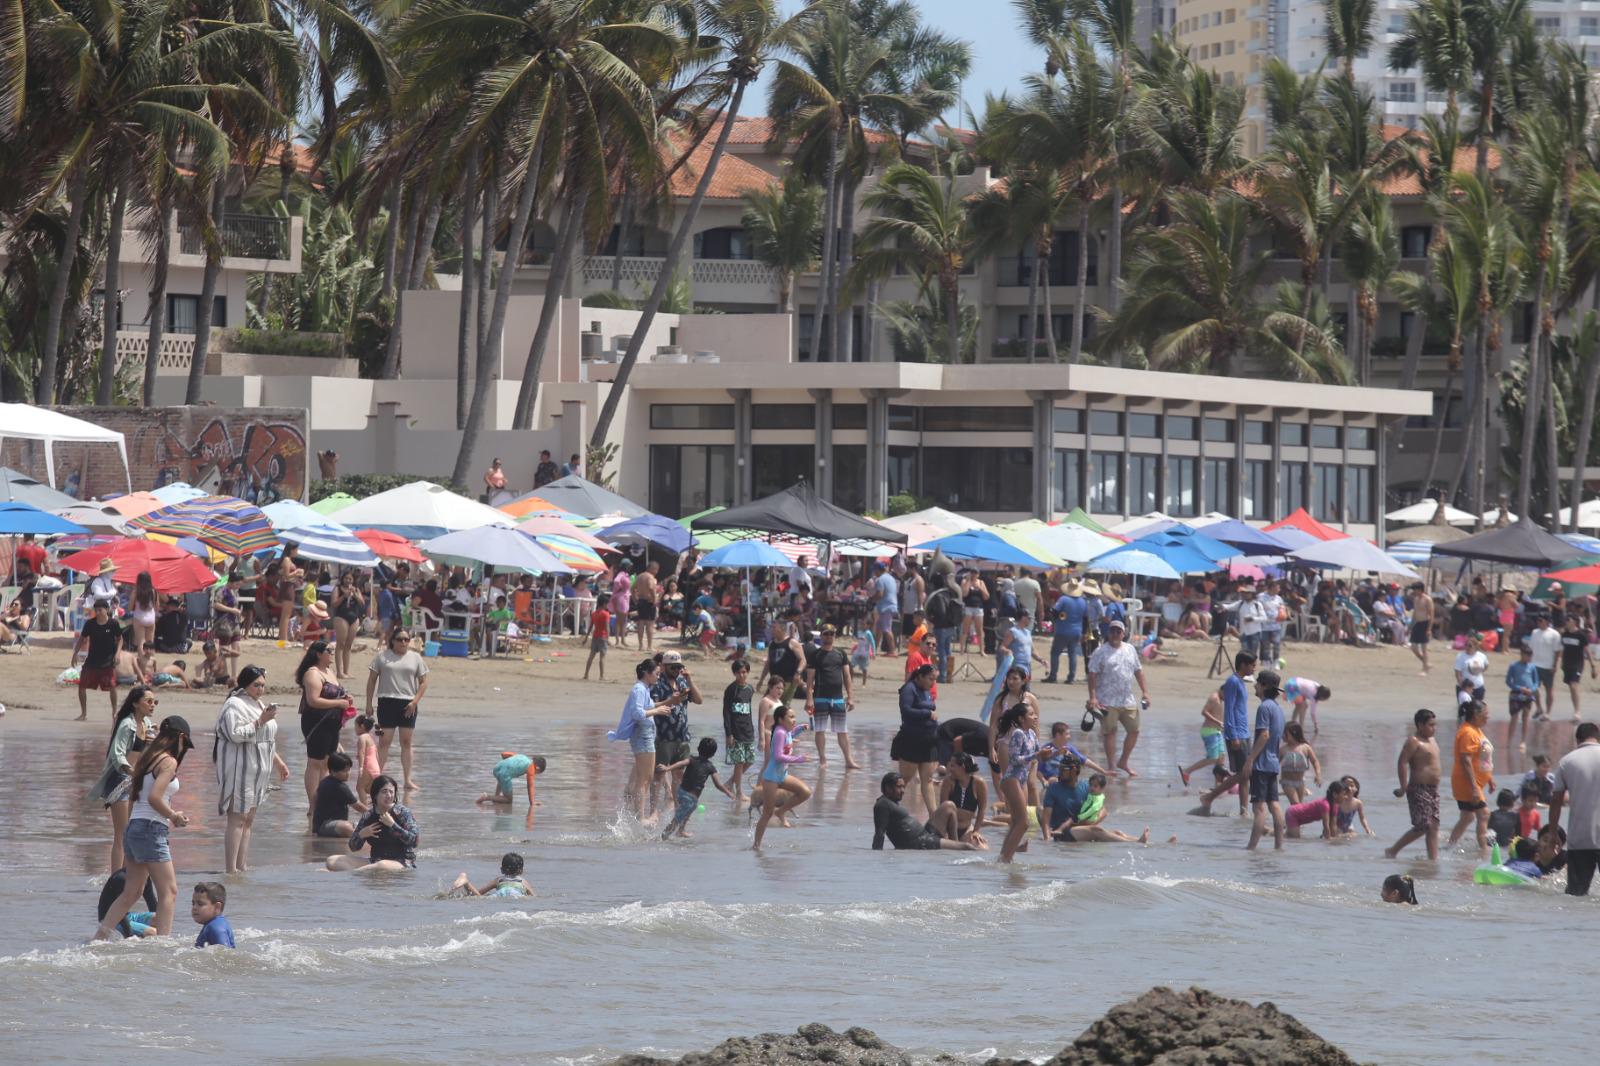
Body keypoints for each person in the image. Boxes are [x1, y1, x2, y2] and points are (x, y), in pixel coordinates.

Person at [93, 716, 195, 939]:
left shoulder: (146, 759)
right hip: (151, 828)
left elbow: (134, 798)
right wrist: (174, 816)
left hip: (135, 828)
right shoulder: (168, 762)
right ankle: (163, 946)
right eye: (185, 744)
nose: (183, 750)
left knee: (132, 892)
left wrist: (133, 829)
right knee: (169, 891)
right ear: (180, 737)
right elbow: (154, 797)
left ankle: (99, 939)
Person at [213, 664, 290, 873]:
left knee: (249, 820)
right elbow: (234, 734)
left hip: (260, 771)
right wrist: (260, 721)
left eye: (263, 685)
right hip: (240, 770)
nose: (261, 689)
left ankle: (241, 865)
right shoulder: (234, 704)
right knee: (237, 818)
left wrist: (279, 762)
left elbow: (267, 738)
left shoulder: (258, 704)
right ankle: (230, 869)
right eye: (257, 685)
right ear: (246, 684)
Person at [88, 686, 158, 872]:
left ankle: (128, 873)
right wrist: (131, 772)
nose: (153, 705)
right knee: (122, 833)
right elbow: (117, 755)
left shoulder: (147, 724)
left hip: (133, 780)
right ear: (136, 703)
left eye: (155, 702)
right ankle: (115, 877)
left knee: (133, 831)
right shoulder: (127, 724)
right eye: (148, 701)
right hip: (119, 779)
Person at [608, 659, 675, 820]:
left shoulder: (644, 689)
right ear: (647, 673)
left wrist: (668, 703)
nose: (658, 677)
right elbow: (637, 713)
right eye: (656, 674)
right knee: (644, 779)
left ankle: (637, 814)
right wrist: (658, 711)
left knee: (647, 777)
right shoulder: (638, 689)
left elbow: (649, 706)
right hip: (642, 736)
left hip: (647, 735)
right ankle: (641, 817)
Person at [366, 628, 429, 793]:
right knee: (384, 742)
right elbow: (372, 680)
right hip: (386, 701)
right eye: (400, 639)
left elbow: (423, 682)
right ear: (393, 640)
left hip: (408, 703)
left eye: (407, 639)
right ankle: (377, 778)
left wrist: (414, 702)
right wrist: (368, 703)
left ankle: (407, 779)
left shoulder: (415, 658)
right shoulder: (382, 657)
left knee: (407, 742)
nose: (403, 643)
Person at [1086, 619, 1150, 778]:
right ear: (1109, 633)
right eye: (1112, 631)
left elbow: (1138, 672)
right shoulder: (1100, 651)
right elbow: (1092, 675)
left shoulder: (1130, 649)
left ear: (1124, 634)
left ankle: (1123, 761)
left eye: (1118, 631)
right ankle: (1112, 765)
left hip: (1127, 699)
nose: (1115, 634)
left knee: (1134, 730)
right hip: (1106, 701)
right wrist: (1093, 697)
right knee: (1110, 733)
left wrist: (1145, 692)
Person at [1197, 652, 1257, 816]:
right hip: (1237, 734)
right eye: (1252, 664)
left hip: (1244, 732)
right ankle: (1210, 796)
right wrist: (1234, 736)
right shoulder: (1232, 682)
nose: (1254, 667)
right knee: (1244, 773)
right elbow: (1229, 710)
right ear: (1243, 664)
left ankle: (1243, 811)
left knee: (1244, 776)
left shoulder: (1241, 682)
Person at [1548, 721, 1600, 895]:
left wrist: (1553, 832)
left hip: (1580, 838)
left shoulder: (1567, 762)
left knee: (1575, 895)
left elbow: (1556, 801)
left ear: (1577, 739)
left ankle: (1575, 923)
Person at [297, 641, 348, 817]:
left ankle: (323, 800)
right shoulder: (312, 673)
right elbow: (313, 700)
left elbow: (335, 694)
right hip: (316, 721)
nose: (333, 653)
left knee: (327, 762)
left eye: (333, 650)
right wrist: (338, 702)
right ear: (319, 654)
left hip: (332, 722)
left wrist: (345, 699)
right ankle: (313, 804)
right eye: (329, 651)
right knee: (315, 762)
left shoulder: (330, 672)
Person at [326, 775, 419, 872]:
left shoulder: (403, 813)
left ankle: (354, 873)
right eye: (384, 791)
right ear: (375, 794)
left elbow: (414, 841)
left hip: (401, 862)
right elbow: (353, 847)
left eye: (391, 792)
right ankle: (361, 871)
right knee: (332, 860)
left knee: (381, 866)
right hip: (375, 860)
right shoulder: (368, 816)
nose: (389, 795)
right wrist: (361, 835)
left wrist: (393, 825)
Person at [1384, 709, 1443, 860]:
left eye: (1435, 725)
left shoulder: (1433, 741)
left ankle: (1432, 861)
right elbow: (1402, 762)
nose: (1434, 728)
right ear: (1420, 725)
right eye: (1430, 725)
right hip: (1418, 788)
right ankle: (1392, 850)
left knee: (1434, 826)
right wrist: (1403, 787)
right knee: (1423, 826)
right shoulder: (1414, 741)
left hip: (1433, 789)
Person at [752, 704, 811, 850]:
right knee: (766, 814)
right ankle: (756, 846)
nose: (794, 720)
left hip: (782, 775)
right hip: (772, 777)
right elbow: (778, 756)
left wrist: (799, 729)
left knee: (805, 792)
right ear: (780, 720)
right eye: (791, 717)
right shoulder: (779, 733)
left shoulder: (786, 731)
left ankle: (781, 811)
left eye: (794, 717)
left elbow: (790, 736)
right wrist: (799, 759)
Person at [872, 772, 980, 851]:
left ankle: (954, 848)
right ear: (888, 788)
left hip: (925, 834)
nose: (903, 791)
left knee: (949, 806)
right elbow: (879, 833)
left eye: (903, 787)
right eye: (899, 787)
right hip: (920, 843)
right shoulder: (882, 805)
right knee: (966, 847)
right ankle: (977, 858)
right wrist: (877, 858)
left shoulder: (891, 802)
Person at [651, 650, 701, 815]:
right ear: (664, 666)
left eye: (679, 667)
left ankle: (677, 813)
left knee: (679, 776)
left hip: (682, 737)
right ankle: (653, 811)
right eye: (673, 667)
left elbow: (699, 700)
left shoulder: (683, 682)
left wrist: (690, 680)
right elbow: (651, 706)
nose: (677, 671)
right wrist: (671, 701)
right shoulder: (657, 683)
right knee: (659, 774)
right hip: (664, 737)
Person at [804, 624, 860, 769]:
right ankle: (823, 759)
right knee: (820, 730)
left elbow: (847, 676)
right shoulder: (815, 655)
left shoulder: (840, 653)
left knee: (842, 730)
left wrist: (851, 697)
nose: (829, 636)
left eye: (831, 633)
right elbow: (810, 679)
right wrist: (809, 699)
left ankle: (849, 760)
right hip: (820, 698)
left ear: (835, 636)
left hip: (838, 698)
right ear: (821, 636)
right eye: (826, 633)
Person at [657, 737, 736, 839]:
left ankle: (681, 830)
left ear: (698, 748)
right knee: (678, 818)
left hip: (681, 792)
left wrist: (667, 768)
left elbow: (680, 763)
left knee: (690, 809)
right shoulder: (710, 767)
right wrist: (728, 793)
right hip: (690, 798)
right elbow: (718, 785)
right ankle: (663, 836)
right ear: (713, 754)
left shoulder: (691, 759)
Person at [1447, 700, 1494, 859]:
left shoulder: (1476, 730)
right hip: (1467, 782)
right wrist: (1474, 787)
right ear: (1476, 715)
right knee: (1484, 814)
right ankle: (1484, 850)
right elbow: (1465, 760)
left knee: (1468, 816)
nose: (1488, 717)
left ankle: (1449, 846)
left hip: (1477, 782)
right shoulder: (1468, 732)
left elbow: (1482, 757)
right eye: (1485, 715)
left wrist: (1490, 778)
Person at [996, 701, 1042, 863]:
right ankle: (1006, 858)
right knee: (1023, 823)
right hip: (1011, 778)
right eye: (1031, 714)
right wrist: (1036, 756)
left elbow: (1039, 754)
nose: (1035, 716)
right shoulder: (1018, 734)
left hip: (1021, 780)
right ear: (1022, 719)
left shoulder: (1032, 734)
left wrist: (1057, 752)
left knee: (1016, 821)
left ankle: (1003, 857)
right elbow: (1015, 760)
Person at [891, 663, 940, 814]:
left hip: (929, 740)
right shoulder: (909, 689)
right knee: (903, 780)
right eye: (931, 679)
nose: (933, 683)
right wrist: (927, 714)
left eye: (935, 679)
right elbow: (906, 711)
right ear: (920, 677)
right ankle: (888, 808)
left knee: (928, 779)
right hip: (911, 739)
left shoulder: (927, 690)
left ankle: (934, 815)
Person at [72, 598, 123, 721]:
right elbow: (82, 638)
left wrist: (117, 654)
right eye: (96, 610)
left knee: (112, 686)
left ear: (106, 610)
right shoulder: (90, 624)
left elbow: (120, 639)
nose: (98, 612)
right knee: (82, 686)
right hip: (92, 660)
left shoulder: (113, 624)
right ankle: (83, 713)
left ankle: (114, 712)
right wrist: (75, 653)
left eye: (100, 610)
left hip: (108, 660)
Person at [476, 752, 546, 824]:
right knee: (508, 800)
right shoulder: (531, 768)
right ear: (537, 768)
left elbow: (503, 754)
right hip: (504, 775)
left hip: (497, 768)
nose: (534, 774)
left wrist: (508, 764)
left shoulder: (521, 756)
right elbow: (530, 786)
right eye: (536, 773)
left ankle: (496, 798)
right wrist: (532, 803)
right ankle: (487, 797)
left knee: (501, 779)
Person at [723, 659, 757, 802]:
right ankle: (739, 792)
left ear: (748, 672)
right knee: (739, 762)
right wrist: (729, 734)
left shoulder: (749, 689)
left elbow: (748, 711)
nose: (742, 675)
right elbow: (726, 713)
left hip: (748, 730)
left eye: (744, 672)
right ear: (734, 673)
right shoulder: (731, 689)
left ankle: (730, 783)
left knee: (750, 760)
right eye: (739, 672)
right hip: (735, 732)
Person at [938, 753, 989, 845]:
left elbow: (982, 810)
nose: (949, 769)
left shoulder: (979, 783)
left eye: (953, 766)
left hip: (966, 829)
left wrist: (976, 831)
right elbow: (943, 809)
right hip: (947, 830)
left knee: (982, 848)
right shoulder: (948, 782)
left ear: (963, 767)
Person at [312, 751, 367, 838]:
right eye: (345, 771)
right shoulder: (340, 787)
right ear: (333, 771)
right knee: (347, 827)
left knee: (355, 825)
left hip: (320, 826)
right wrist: (375, 814)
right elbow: (358, 806)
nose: (348, 773)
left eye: (349, 770)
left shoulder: (324, 781)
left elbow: (314, 797)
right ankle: (360, 840)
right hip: (326, 826)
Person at [1178, 688, 1226, 787]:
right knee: (1213, 758)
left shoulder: (1221, 698)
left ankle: (1218, 786)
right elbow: (1204, 712)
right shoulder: (1214, 698)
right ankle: (1187, 771)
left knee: (1221, 758)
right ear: (1223, 691)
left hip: (1217, 732)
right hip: (1209, 732)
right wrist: (1218, 722)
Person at [96, 868, 159, 939]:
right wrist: (130, 936)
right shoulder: (121, 878)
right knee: (153, 932)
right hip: (111, 920)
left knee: (159, 918)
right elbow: (119, 910)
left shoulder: (145, 876)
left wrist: (160, 920)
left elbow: (151, 901)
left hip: (128, 916)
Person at [1559, 611, 1595, 721]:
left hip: (1577, 664)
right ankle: (1575, 709)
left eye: (1568, 620)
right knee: (1571, 686)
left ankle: (1577, 711)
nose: (1566, 622)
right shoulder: (1564, 634)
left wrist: (1593, 666)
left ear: (1574, 622)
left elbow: (1587, 651)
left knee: (1574, 685)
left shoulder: (1581, 635)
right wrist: (1560, 662)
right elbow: (1562, 649)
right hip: (1567, 664)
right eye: (1566, 620)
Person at [330, 572, 366, 680]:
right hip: (341, 617)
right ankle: (339, 672)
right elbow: (333, 604)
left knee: (348, 645)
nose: (348, 581)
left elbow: (362, 604)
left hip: (354, 618)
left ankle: (346, 671)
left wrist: (354, 594)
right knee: (341, 644)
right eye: (346, 578)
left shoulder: (356, 590)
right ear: (342, 579)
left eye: (350, 579)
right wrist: (344, 597)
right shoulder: (338, 589)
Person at [451, 852, 533, 898]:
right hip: (516, 894)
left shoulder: (499, 880)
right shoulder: (523, 881)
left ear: (502, 869)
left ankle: (466, 882)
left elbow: (480, 892)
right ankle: (465, 882)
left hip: (500, 893)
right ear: (521, 871)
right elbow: (533, 896)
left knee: (477, 897)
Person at [1527, 612, 1561, 718]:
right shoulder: (1534, 632)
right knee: (1533, 688)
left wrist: (1555, 665)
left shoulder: (1554, 634)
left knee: (1549, 689)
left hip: (1548, 665)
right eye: (1538, 620)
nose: (1538, 622)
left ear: (1547, 621)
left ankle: (1548, 712)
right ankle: (1539, 708)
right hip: (1534, 664)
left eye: (1541, 620)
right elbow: (1530, 648)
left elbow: (1558, 651)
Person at [1277, 722, 1322, 806]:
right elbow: (1275, 765)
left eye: (1285, 734)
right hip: (1287, 782)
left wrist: (1318, 775)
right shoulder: (1283, 750)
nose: (1282, 736)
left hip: (1301, 782)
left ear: (1294, 734)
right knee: (1296, 804)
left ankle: (1290, 818)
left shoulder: (1305, 747)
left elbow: (1315, 761)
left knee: (1299, 807)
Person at [1507, 644, 1539, 749]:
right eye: (1527, 655)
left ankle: (1523, 741)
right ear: (1522, 654)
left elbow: (1536, 682)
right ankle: (1509, 741)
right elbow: (1508, 681)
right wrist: (1519, 688)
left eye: (1530, 656)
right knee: (1514, 717)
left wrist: (1532, 690)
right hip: (1516, 694)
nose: (1529, 657)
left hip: (1528, 694)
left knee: (1525, 717)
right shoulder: (1513, 666)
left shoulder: (1532, 667)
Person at [191, 882, 235, 948]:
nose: (194, 907)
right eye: (193, 903)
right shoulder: (213, 924)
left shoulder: (215, 928)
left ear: (217, 907)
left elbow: (224, 954)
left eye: (200, 904)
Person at [1454, 633, 1488, 704]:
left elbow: (1486, 666)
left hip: (1478, 687)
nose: (1467, 647)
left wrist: (1477, 671)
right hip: (1464, 688)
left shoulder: (1481, 656)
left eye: (1469, 646)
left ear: (1475, 646)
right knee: (1465, 710)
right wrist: (1464, 687)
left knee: (1478, 710)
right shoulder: (1460, 656)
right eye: (1466, 645)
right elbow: (1458, 674)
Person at [1408, 584, 1434, 675]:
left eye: (1416, 589)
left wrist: (1429, 629)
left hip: (1425, 623)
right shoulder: (1416, 599)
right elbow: (1415, 613)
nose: (1414, 591)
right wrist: (1409, 627)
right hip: (1417, 623)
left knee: (1424, 648)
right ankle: (1426, 663)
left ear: (1420, 590)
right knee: (1413, 647)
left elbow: (1431, 615)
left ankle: (1424, 669)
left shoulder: (1427, 599)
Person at [353, 714, 381, 796]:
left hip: (367, 766)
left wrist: (361, 767)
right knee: (368, 790)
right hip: (375, 767)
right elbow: (376, 755)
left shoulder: (362, 737)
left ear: (361, 726)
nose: (355, 729)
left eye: (355, 726)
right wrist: (378, 768)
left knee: (360, 788)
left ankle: (364, 808)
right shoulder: (370, 738)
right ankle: (375, 806)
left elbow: (362, 753)